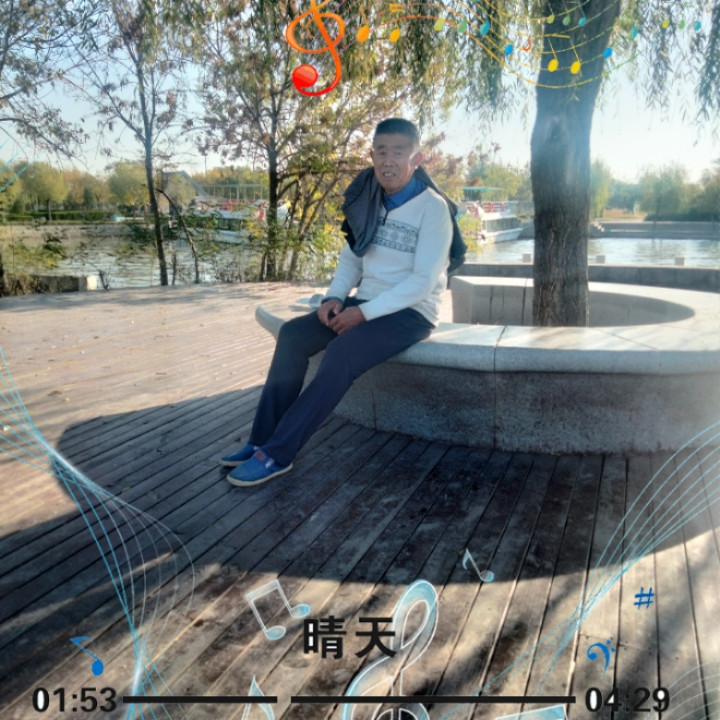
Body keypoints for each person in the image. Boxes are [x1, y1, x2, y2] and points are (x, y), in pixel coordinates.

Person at [220, 118, 466, 486]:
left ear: (416, 158)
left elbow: (423, 283)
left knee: (341, 353)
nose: (388, 160)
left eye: (398, 152)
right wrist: (334, 298)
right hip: (366, 301)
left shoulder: (433, 209)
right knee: (293, 335)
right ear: (372, 155)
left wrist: (362, 313)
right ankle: (260, 440)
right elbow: (352, 259)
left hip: (412, 312)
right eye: (381, 151)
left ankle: (278, 454)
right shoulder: (367, 196)